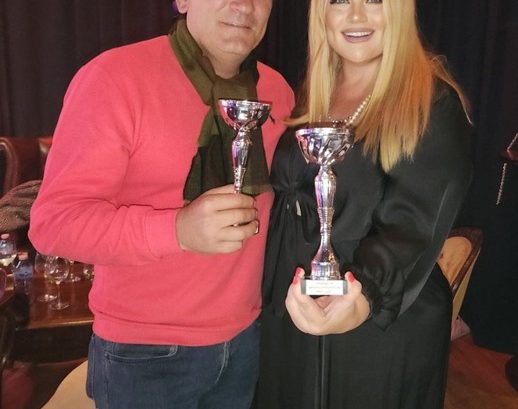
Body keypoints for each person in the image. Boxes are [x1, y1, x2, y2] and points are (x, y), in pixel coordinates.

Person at [29, 1, 294, 408]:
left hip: (247, 342)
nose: (244, 5)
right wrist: (177, 231)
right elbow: (54, 223)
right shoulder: (114, 77)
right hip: (144, 356)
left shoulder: (277, 92)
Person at [255, 1, 472, 409]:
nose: (356, 15)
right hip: (292, 314)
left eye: (374, 0)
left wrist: (362, 299)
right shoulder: (313, 95)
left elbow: (411, 225)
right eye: (339, 1)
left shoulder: (432, 103)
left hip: (378, 327)